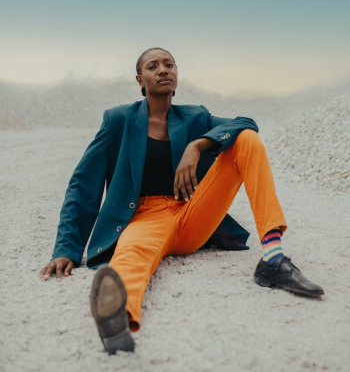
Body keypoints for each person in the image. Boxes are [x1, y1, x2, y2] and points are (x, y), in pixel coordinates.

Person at [39, 47, 324, 354]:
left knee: (246, 140)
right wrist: (66, 248)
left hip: (192, 213)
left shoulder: (196, 117)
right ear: (140, 79)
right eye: (152, 66)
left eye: (169, 64)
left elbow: (247, 122)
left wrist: (199, 145)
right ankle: (117, 319)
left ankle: (273, 257)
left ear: (176, 76)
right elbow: (83, 185)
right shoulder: (117, 120)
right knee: (130, 257)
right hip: (143, 219)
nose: (162, 70)